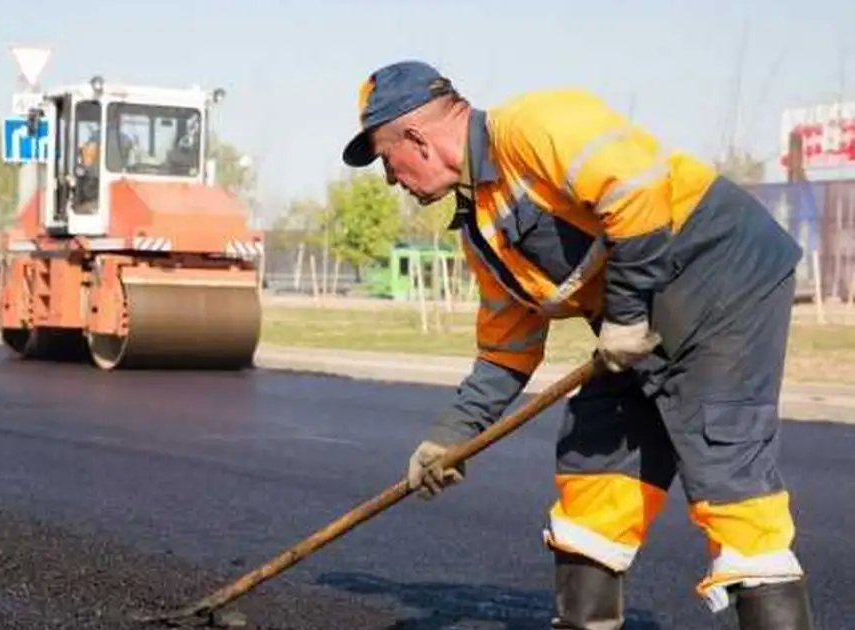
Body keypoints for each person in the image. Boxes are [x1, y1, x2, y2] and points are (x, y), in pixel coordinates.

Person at [340, 60, 814, 630]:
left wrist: (629, 313)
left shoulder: (536, 125)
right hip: (633, 326)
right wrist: (451, 437)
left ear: (415, 137)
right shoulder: (482, 229)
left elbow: (636, 192)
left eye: (386, 160)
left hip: (723, 281)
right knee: (594, 461)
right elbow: (506, 351)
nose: (391, 179)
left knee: (727, 471)